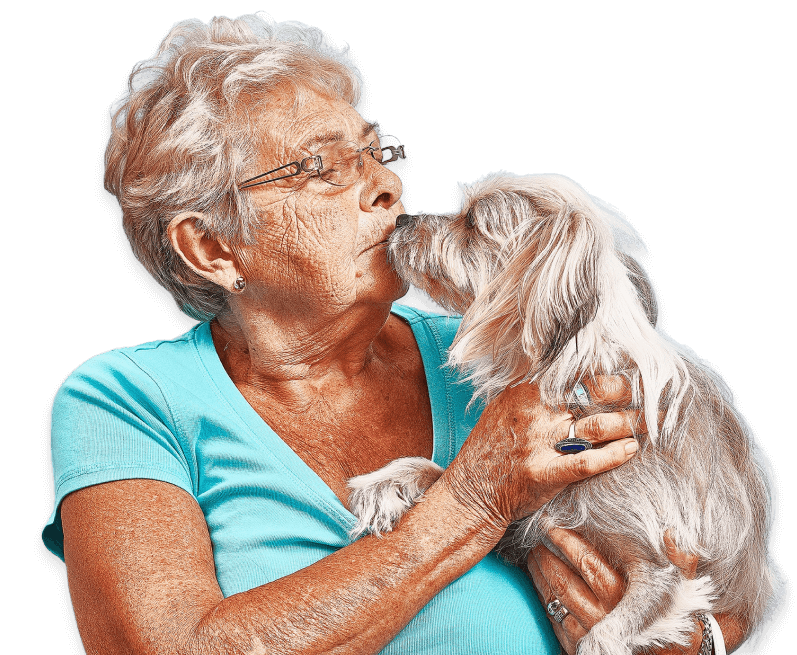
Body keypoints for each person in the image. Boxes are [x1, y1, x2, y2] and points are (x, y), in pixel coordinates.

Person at [41, 13, 749, 654]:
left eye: (373, 150)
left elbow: (711, 557)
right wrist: (474, 498)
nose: (385, 182)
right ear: (213, 249)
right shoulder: (126, 400)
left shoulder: (513, 360)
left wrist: (702, 643)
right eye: (319, 166)